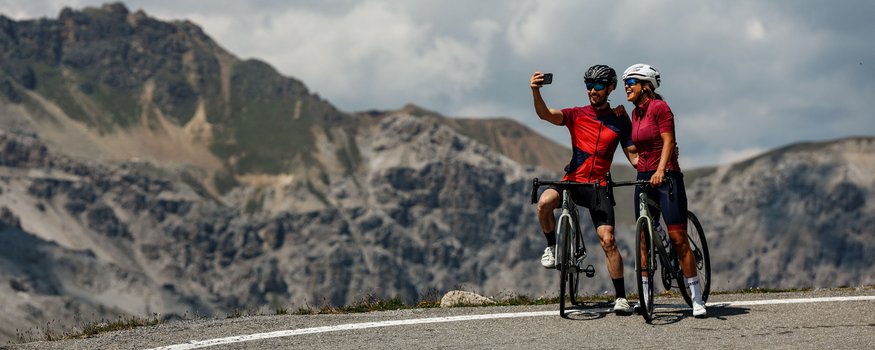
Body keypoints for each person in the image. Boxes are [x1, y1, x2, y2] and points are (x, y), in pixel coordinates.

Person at [530, 65, 637, 315]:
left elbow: (633, 156)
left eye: (598, 86)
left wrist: (657, 167)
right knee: (544, 203)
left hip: (598, 187)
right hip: (573, 181)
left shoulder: (620, 119)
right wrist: (536, 91)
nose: (592, 90)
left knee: (608, 240)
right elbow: (546, 114)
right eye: (589, 85)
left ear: (611, 88)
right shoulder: (577, 114)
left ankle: (621, 297)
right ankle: (552, 246)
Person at [621, 63, 706, 317]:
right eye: (626, 82)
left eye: (631, 82)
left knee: (678, 238)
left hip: (666, 176)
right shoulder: (635, 113)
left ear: (646, 87)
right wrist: (638, 166)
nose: (627, 86)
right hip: (644, 177)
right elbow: (635, 149)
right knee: (645, 239)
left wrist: (661, 170)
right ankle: (646, 297)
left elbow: (669, 140)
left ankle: (697, 297)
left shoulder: (660, 107)